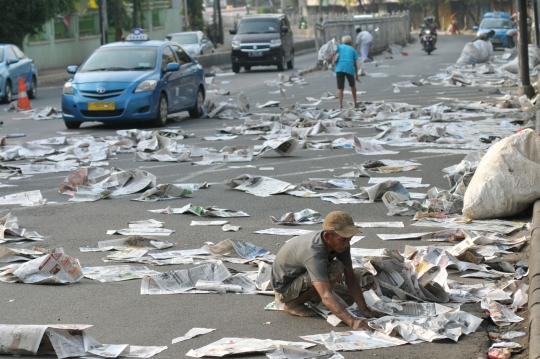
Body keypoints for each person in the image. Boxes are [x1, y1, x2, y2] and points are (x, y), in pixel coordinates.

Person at [271, 211, 377, 331]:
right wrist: (352, 322)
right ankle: (294, 304)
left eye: (349, 239)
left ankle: (308, 296)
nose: (347, 244)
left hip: (298, 275)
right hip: (284, 287)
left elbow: (350, 277)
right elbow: (326, 296)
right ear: (327, 236)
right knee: (335, 270)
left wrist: (365, 311)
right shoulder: (314, 252)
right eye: (343, 240)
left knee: (347, 272)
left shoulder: (341, 243)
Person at [333, 36, 360, 109]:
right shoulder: (353, 50)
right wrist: (356, 75)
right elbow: (355, 64)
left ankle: (340, 105)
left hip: (339, 68)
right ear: (351, 42)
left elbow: (334, 56)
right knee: (352, 86)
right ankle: (355, 103)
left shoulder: (338, 47)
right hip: (349, 69)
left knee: (340, 88)